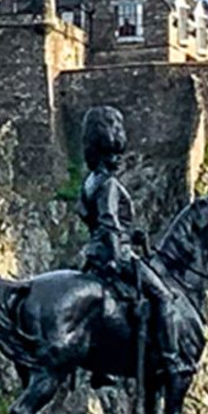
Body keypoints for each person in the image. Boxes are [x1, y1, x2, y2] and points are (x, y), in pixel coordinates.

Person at [76, 106, 175, 391]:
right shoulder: (109, 185)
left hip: (93, 253)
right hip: (114, 254)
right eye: (115, 156)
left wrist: (135, 234)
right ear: (106, 155)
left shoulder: (89, 182)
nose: (119, 161)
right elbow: (108, 224)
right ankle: (170, 360)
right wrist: (119, 254)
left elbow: (96, 220)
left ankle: (99, 366)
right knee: (164, 297)